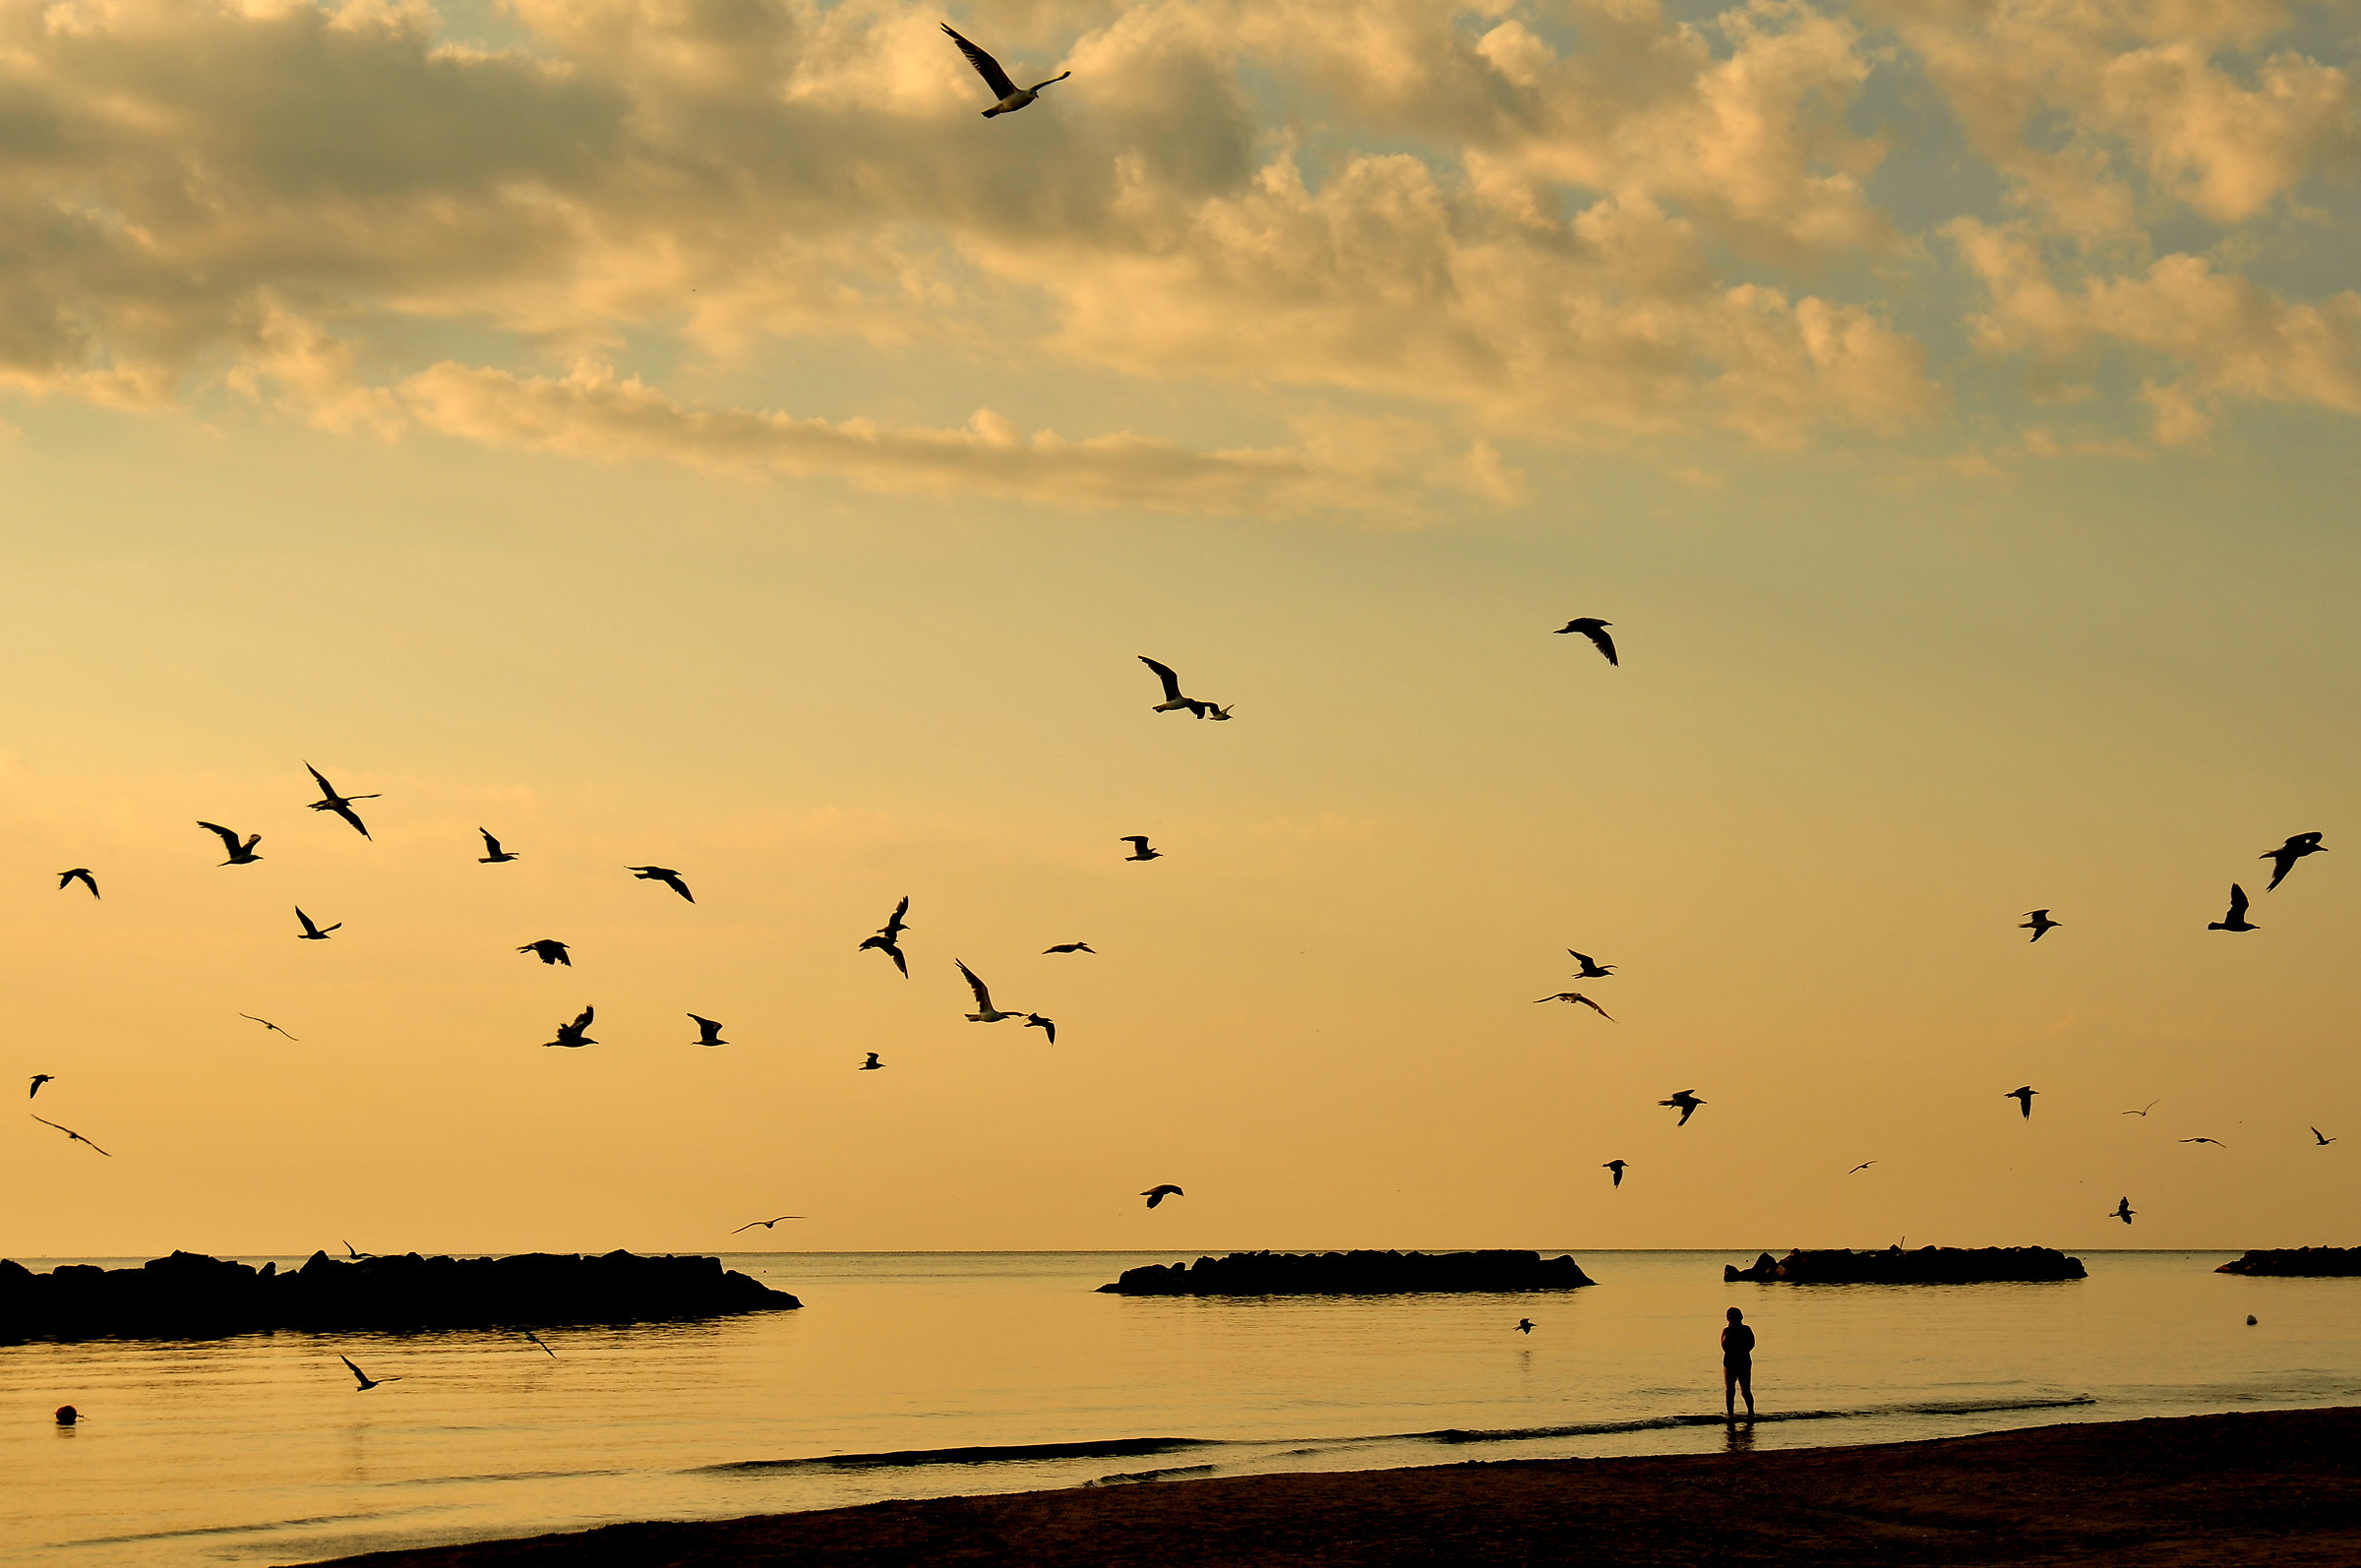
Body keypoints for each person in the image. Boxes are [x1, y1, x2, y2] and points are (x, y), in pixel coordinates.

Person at [1721, 1306, 1756, 1420]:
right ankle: (1730, 1414)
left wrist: (1740, 1349)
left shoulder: (1746, 1329)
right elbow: (1724, 1346)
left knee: (1745, 1390)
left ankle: (1751, 1412)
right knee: (1730, 1390)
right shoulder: (1727, 1331)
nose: (1731, 1319)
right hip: (1730, 1361)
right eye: (1729, 1316)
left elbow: (1751, 1344)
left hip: (1743, 1360)